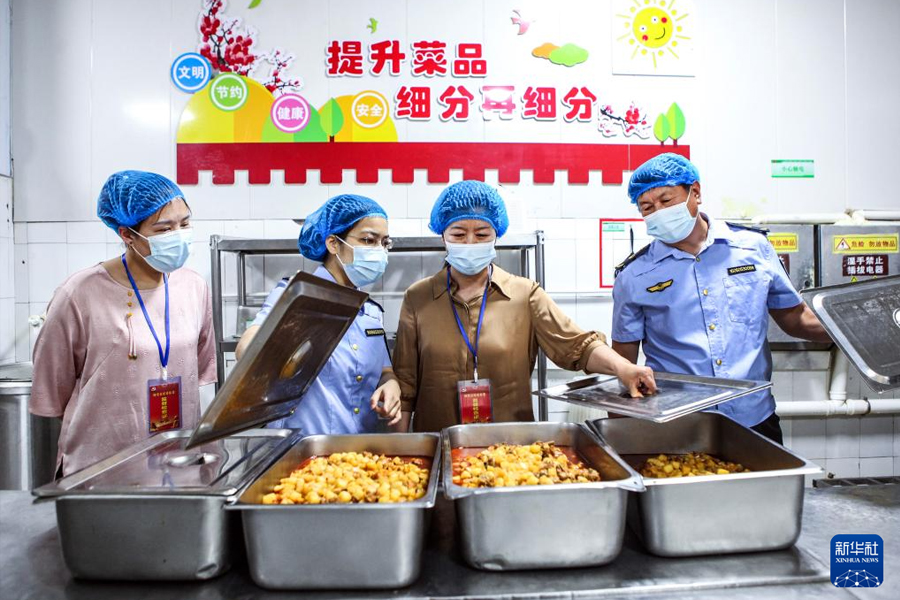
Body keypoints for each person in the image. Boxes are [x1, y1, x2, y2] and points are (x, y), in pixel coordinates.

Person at [392, 180, 657, 433]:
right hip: (438, 444)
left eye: (482, 234)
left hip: (510, 448)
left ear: (496, 236)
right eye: (459, 234)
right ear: (443, 237)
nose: (470, 243)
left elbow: (578, 346)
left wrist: (623, 368)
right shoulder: (418, 298)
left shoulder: (524, 295)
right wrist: (400, 450)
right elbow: (405, 385)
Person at [611, 153, 830, 443]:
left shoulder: (752, 248)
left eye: (666, 200)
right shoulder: (634, 275)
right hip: (678, 424)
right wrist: (619, 433)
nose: (659, 212)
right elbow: (623, 362)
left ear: (695, 192)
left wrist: (857, 333)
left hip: (754, 417)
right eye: (647, 207)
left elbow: (796, 319)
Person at [30, 171, 216, 476]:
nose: (179, 235)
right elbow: (51, 390)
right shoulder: (79, 294)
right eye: (164, 229)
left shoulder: (193, 287)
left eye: (184, 224)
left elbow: (199, 366)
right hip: (101, 468)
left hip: (176, 464)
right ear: (127, 235)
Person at [235, 194, 402, 434]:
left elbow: (384, 370)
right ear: (333, 244)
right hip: (305, 446)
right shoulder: (297, 294)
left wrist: (391, 384)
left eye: (384, 243)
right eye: (368, 240)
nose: (379, 251)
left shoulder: (370, 312)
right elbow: (246, 349)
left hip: (360, 447)